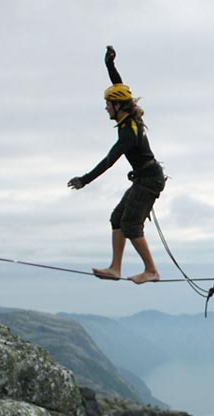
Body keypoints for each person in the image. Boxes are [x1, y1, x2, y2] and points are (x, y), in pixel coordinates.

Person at [68, 46, 165, 284]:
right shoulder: (129, 118)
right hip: (144, 178)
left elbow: (110, 161)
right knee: (117, 218)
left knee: (131, 225)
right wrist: (110, 66)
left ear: (118, 107)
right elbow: (121, 89)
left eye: (109, 104)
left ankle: (151, 270)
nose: (106, 108)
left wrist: (85, 179)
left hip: (149, 180)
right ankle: (115, 268)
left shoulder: (128, 133)